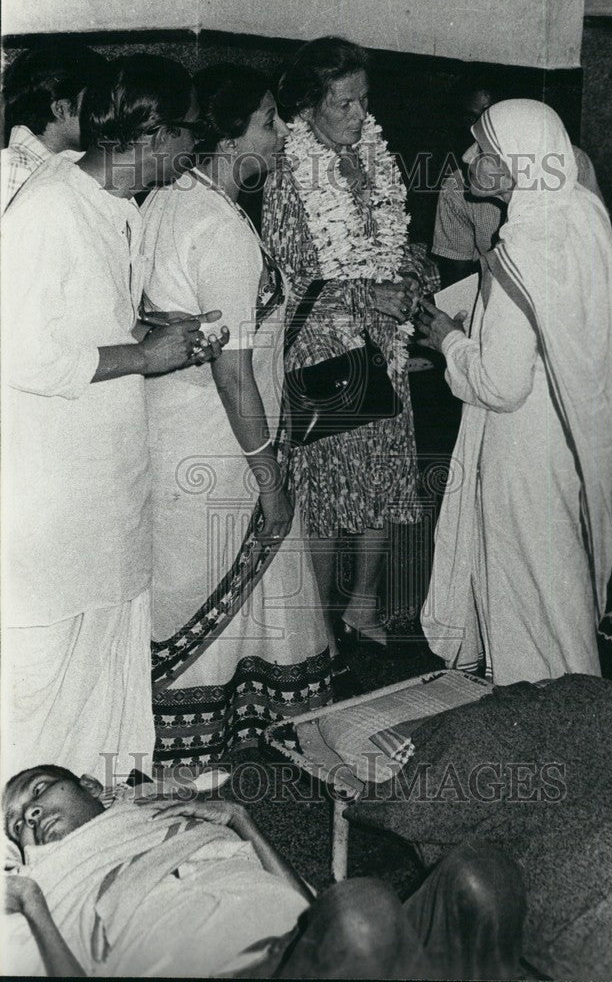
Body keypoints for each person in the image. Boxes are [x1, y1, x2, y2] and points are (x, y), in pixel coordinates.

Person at [1, 54, 223, 782]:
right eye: (189, 132)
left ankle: (93, 826)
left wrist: (150, 330)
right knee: (41, 687)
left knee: (106, 666)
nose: (195, 150)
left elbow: (85, 323)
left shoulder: (118, 207)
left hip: (106, 489)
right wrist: (145, 357)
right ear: (153, 132)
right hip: (53, 501)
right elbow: (21, 355)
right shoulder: (48, 208)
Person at [140, 64, 333, 768]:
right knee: (207, 576)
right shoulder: (220, 231)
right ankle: (196, 758)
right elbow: (235, 376)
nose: (282, 135)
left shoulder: (168, 198)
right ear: (227, 134)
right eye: (268, 122)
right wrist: (271, 477)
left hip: (171, 432)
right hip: (220, 439)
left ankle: (196, 741)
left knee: (192, 581)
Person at [418, 100, 612, 684]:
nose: (466, 159)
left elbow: (501, 384)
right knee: (558, 587)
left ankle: (537, 717)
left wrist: (448, 339)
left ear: (517, 163)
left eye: (482, 152)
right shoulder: (580, 214)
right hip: (570, 432)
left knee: (527, 591)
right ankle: (576, 708)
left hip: (522, 446)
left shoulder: (522, 249)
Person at [3, 763, 526, 979]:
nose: (30, 815)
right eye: (15, 821)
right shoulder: (53, 882)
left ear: (92, 787)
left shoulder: (168, 818)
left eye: (40, 789)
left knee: (480, 874)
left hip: (299, 945)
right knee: (362, 916)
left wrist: (243, 821)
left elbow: (306, 905)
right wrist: (31, 902)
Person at [262, 36, 440, 652]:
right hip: (325, 347)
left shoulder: (373, 155)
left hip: (383, 344)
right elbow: (294, 276)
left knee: (384, 479)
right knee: (330, 490)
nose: (361, 116)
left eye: (364, 101)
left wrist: (411, 274)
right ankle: (317, 625)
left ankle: (363, 606)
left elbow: (390, 243)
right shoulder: (289, 170)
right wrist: (367, 297)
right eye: (345, 104)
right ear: (308, 107)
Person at [432, 74, 604, 288]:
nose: (481, 127)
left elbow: (589, 262)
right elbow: (456, 280)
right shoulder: (459, 185)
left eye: (491, 115)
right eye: (470, 120)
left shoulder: (568, 163)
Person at [1, 43, 104, 213]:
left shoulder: (51, 168)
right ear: (61, 109)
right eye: (94, 102)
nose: (103, 114)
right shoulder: (16, 168)